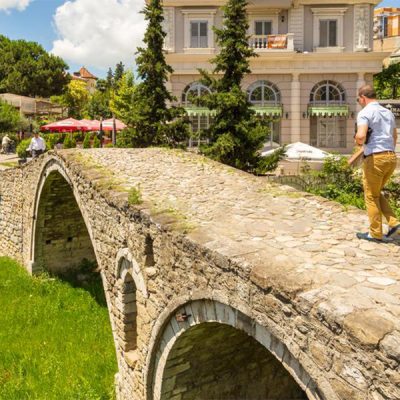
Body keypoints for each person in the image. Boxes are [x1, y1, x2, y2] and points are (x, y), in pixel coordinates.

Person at [355, 84, 399, 242]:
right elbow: (394, 136)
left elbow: (361, 136)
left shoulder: (364, 112)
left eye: (358, 99)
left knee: (371, 196)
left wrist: (358, 140)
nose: (359, 101)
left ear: (363, 97)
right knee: (376, 192)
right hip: (391, 157)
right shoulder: (388, 113)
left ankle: (375, 233)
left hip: (375, 158)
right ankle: (394, 224)